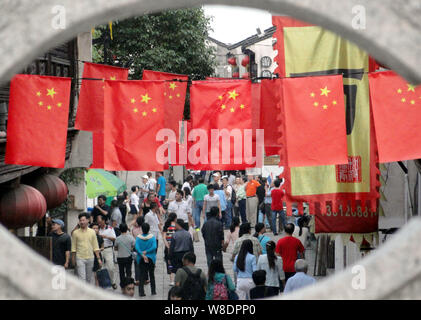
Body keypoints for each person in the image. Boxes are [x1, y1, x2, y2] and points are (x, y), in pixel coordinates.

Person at [71, 213, 101, 283]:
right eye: (80, 220)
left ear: (88, 220)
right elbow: (73, 247)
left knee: (88, 279)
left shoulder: (92, 232)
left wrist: (98, 259)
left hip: (90, 258)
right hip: (80, 258)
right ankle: (82, 293)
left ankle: (86, 292)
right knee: (82, 279)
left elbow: (95, 246)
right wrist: (73, 259)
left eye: (83, 220)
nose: (82, 222)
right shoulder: (75, 233)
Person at [135, 223, 157, 296]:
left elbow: (136, 248)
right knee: (151, 274)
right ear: (149, 229)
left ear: (142, 229)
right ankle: (153, 291)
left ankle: (141, 292)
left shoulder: (138, 238)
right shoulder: (152, 237)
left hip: (141, 258)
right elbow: (154, 247)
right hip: (151, 258)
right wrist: (147, 251)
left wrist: (142, 253)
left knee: (141, 275)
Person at [97, 215, 117, 289]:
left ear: (104, 221)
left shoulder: (110, 229)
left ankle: (113, 282)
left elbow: (114, 238)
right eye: (98, 222)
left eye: (100, 221)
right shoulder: (97, 228)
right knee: (100, 267)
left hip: (108, 249)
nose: (99, 223)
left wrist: (106, 237)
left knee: (111, 267)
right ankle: (102, 284)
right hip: (99, 249)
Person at [162, 212, 178, 286]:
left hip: (167, 246)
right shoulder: (177, 226)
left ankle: (171, 280)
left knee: (169, 263)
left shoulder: (166, 225)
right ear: (175, 218)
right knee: (176, 262)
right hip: (176, 247)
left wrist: (167, 246)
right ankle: (177, 279)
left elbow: (164, 237)